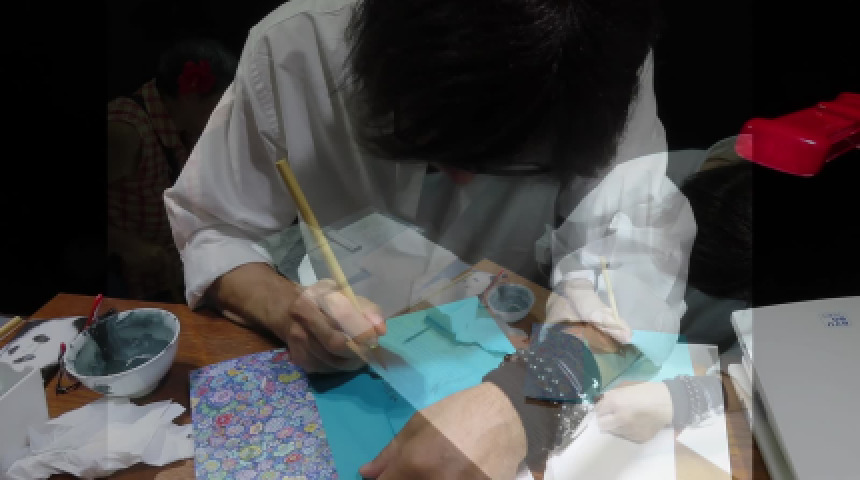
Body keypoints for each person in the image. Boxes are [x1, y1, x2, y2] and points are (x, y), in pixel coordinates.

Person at [164, 0, 695, 477]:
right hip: (343, 368)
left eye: (508, 160)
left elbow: (635, 262)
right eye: (431, 147)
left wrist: (527, 402)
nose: (462, 180)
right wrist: (288, 311)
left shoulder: (600, 53)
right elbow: (214, 228)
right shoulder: (297, 48)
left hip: (519, 341)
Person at [107, 38, 237, 302]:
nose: (225, 115)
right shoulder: (125, 131)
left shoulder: (182, 125)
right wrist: (126, 244)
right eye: (220, 105)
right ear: (190, 96)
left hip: (165, 270)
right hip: (119, 279)